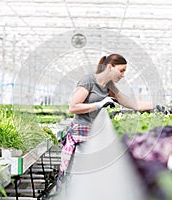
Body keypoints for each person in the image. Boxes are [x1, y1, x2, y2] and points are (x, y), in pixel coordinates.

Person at [56, 53, 154, 191]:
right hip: (80, 139)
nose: (123, 74)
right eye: (121, 70)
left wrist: (155, 105)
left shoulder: (109, 86)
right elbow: (73, 107)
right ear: (110, 67)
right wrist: (98, 105)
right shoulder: (88, 81)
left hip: (94, 136)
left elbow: (132, 103)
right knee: (75, 182)